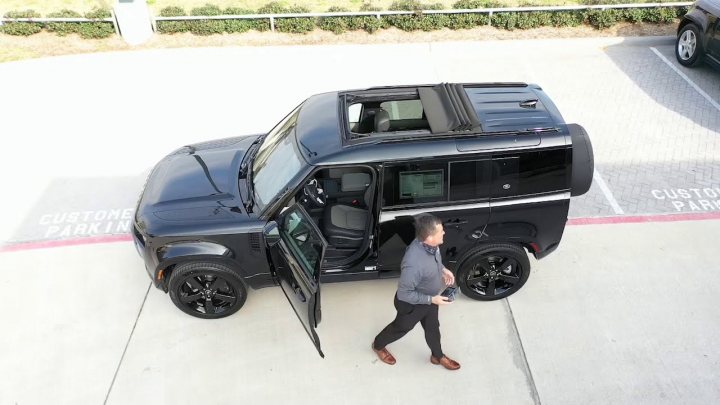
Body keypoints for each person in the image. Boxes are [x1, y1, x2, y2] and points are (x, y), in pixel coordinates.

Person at [372, 213, 461, 370]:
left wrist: (443, 270)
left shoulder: (432, 245)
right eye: (441, 231)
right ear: (429, 237)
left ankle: (437, 356)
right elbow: (404, 294)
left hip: (431, 299)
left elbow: (435, 262)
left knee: (433, 327)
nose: (444, 233)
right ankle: (378, 345)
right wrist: (431, 300)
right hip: (411, 305)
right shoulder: (413, 264)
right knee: (400, 328)